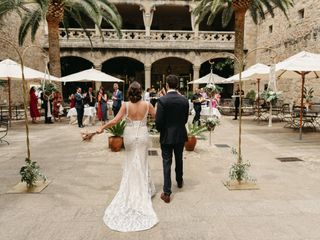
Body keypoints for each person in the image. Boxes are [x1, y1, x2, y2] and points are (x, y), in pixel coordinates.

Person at [95, 81, 158, 232]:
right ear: (141, 91)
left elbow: (115, 121)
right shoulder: (147, 105)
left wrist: (102, 127)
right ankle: (144, 189)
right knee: (142, 162)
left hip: (129, 136)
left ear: (130, 92)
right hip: (142, 135)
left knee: (131, 162)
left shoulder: (125, 105)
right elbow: (157, 117)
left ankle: (132, 189)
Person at [155, 74, 189, 204]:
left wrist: (161, 130)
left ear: (167, 85)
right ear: (177, 85)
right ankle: (179, 181)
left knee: (166, 162)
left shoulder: (162, 100)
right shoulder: (184, 100)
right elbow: (185, 119)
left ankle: (167, 192)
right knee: (179, 159)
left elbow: (158, 121)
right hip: (180, 134)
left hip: (166, 135)